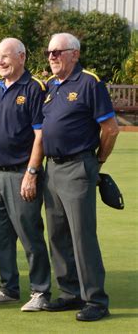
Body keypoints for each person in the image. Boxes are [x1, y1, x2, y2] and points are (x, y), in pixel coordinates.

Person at [41, 32, 119, 321]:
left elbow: (110, 129)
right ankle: (70, 292)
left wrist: (96, 162)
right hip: (53, 168)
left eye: (58, 52)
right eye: (49, 52)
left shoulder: (89, 82)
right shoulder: (50, 85)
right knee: (58, 234)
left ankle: (96, 300)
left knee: (81, 236)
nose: (52, 57)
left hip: (78, 165)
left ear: (74, 53)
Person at [0, 38, 51, 311]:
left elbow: (40, 135)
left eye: (5, 57)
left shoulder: (34, 88)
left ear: (22, 57)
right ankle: (8, 288)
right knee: (1, 236)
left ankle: (41, 291)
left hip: (21, 173)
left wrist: (32, 173)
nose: (0, 62)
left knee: (30, 234)